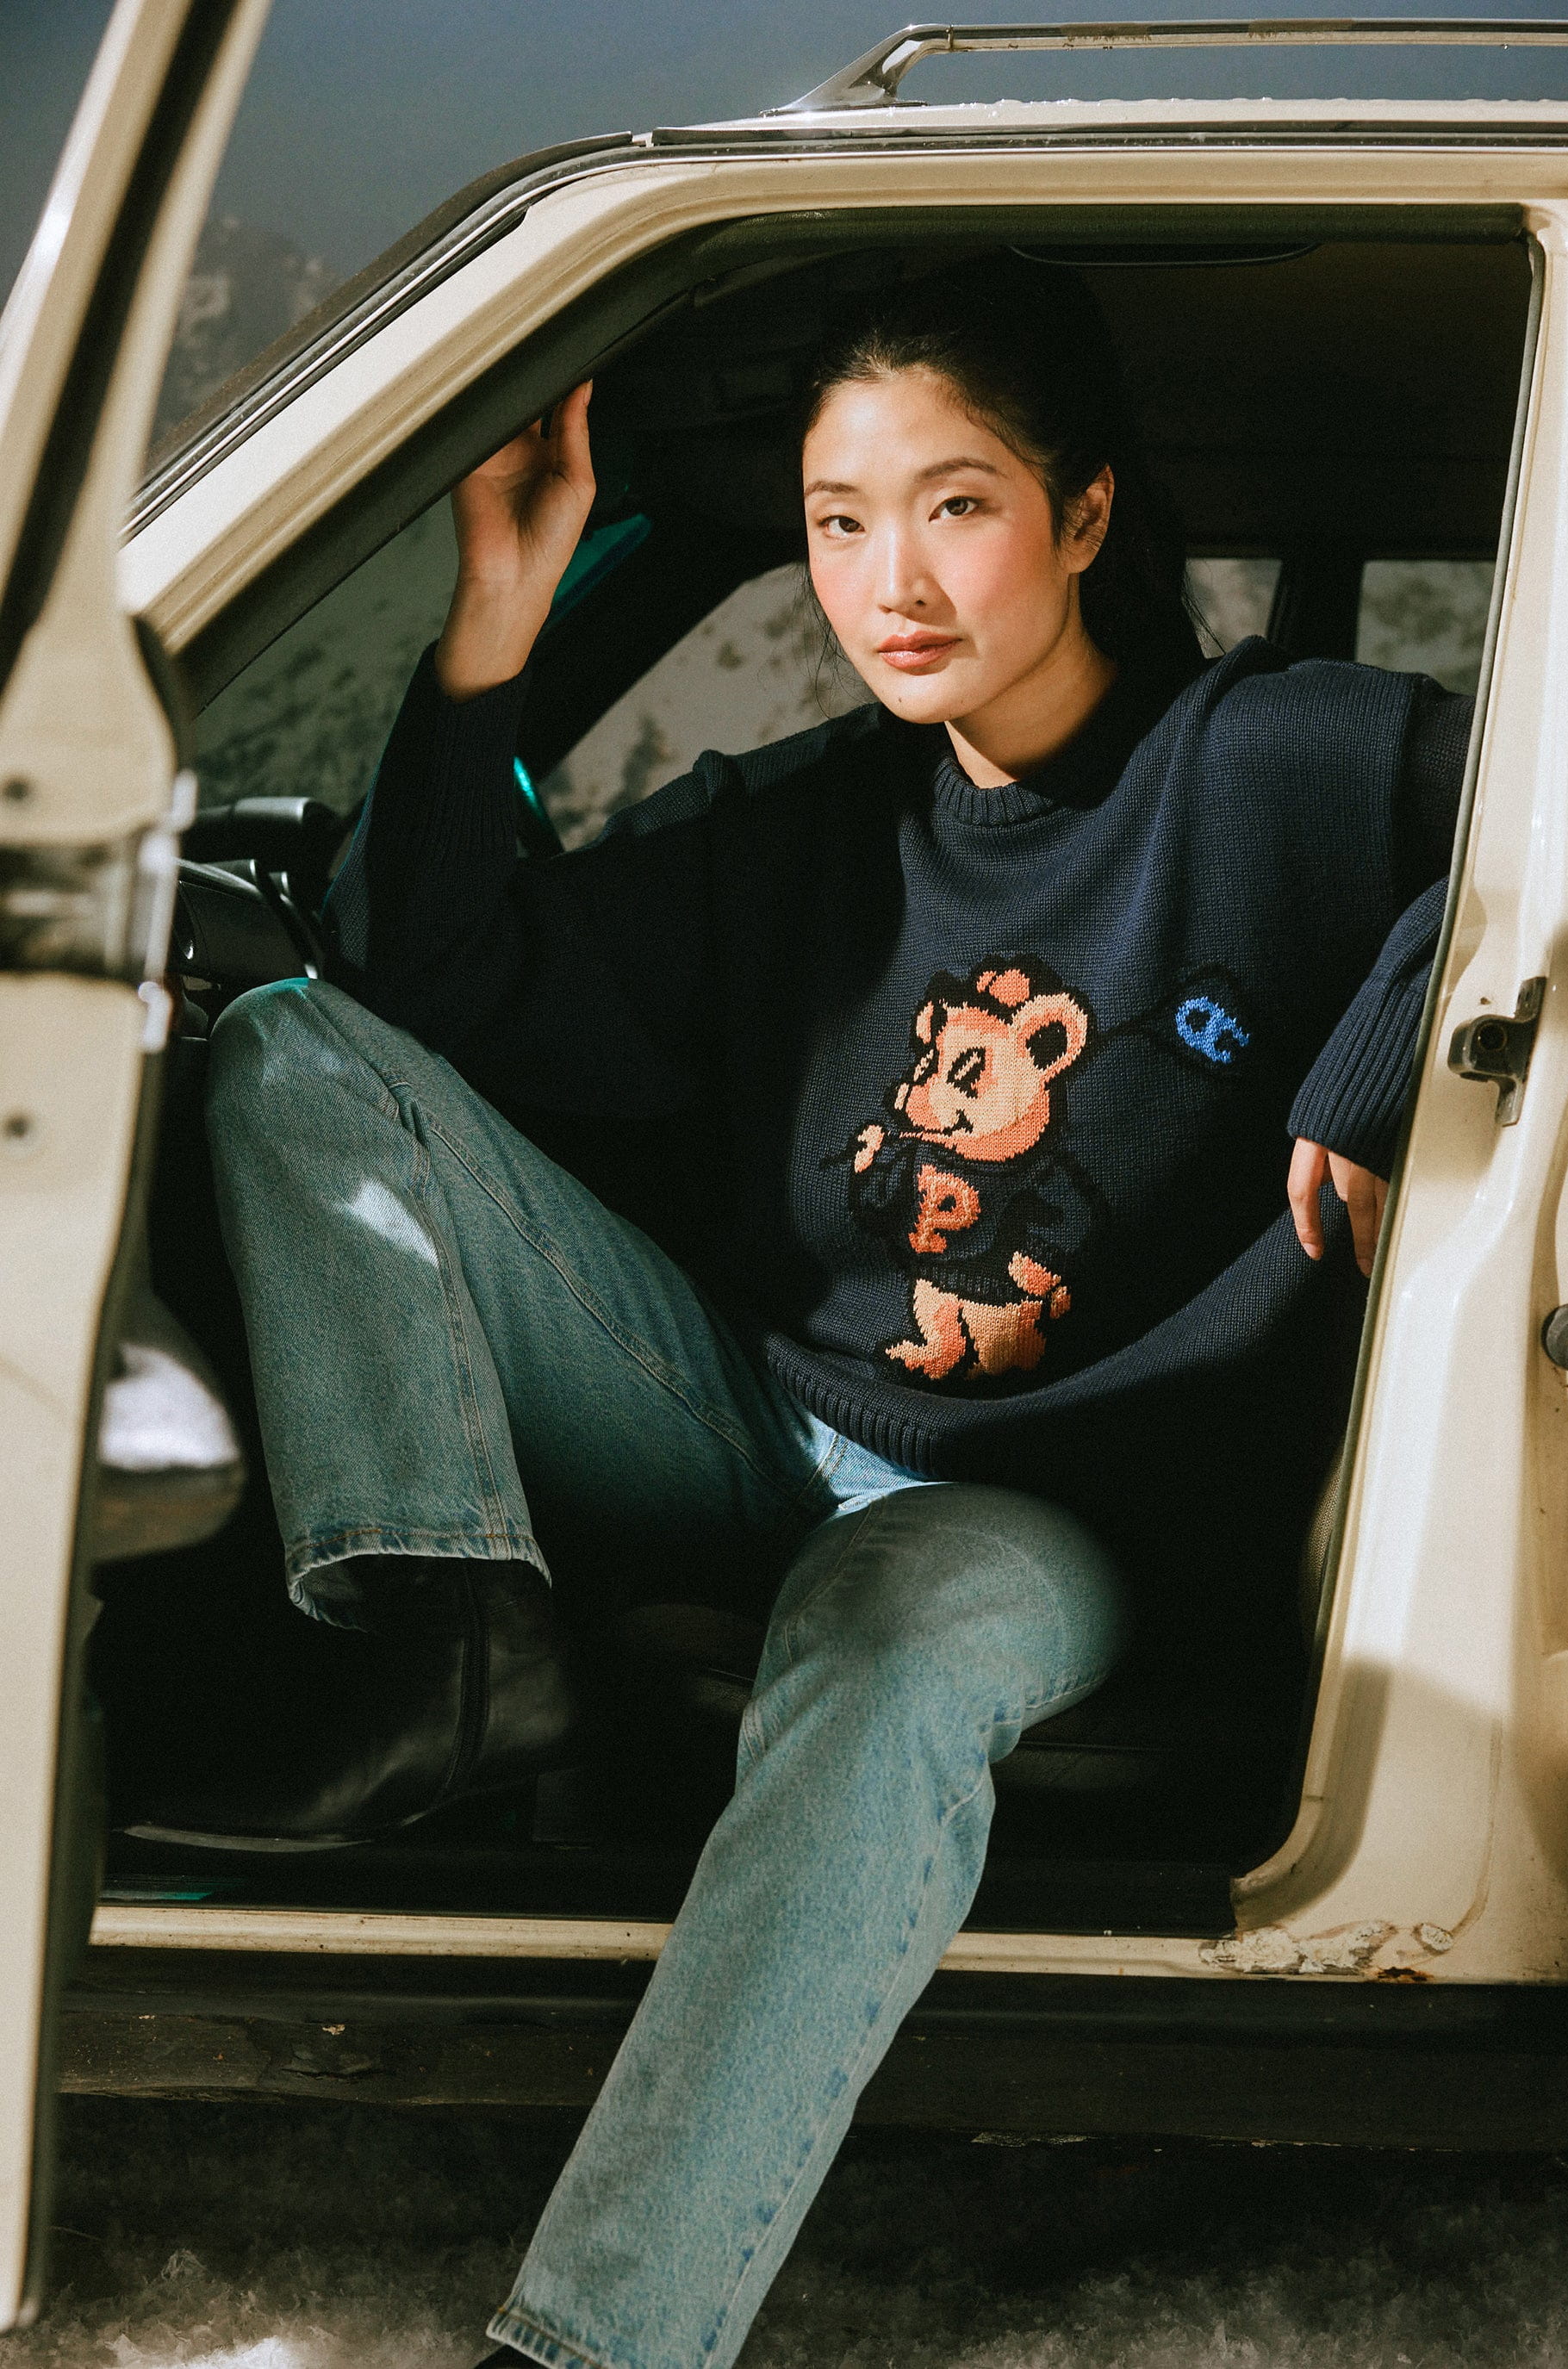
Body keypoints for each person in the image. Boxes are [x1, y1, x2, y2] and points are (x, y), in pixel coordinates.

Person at [196, 255, 1468, 2368]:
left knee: (882, 1645)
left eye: (955, 504)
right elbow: (427, 986)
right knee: (295, 1054)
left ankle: (598, 2346)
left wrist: (1372, 1057)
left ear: (1080, 517)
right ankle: (449, 1638)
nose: (892, 576)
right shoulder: (803, 818)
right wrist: (495, 630)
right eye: (838, 518)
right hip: (736, 1415)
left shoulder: (1275, 760)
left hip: (1038, 1507)